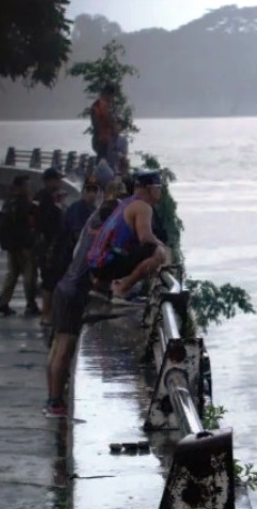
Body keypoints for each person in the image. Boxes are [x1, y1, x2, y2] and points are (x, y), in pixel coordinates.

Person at [44, 196, 120, 418]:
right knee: (64, 348)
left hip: (63, 287)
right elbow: (98, 278)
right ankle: (56, 402)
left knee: (57, 346)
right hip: (73, 294)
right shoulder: (102, 239)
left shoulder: (90, 231)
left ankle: (52, 399)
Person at [87, 170, 171, 299]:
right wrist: (161, 245)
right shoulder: (143, 206)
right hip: (106, 263)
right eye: (159, 188)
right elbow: (145, 237)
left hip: (96, 263)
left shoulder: (127, 202)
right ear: (150, 189)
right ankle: (122, 288)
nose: (160, 192)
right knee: (158, 252)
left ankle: (102, 285)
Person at [0, 175, 39, 316]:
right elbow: (31, 222)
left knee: (12, 273)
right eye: (26, 185)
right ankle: (31, 304)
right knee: (29, 274)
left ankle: (2, 302)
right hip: (24, 245)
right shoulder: (25, 203)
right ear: (21, 187)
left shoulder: (8, 202)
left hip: (11, 245)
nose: (28, 188)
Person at [34, 168, 66, 326]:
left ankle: (50, 312)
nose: (59, 182)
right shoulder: (45, 198)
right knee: (49, 281)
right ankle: (46, 313)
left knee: (52, 280)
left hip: (52, 245)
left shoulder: (45, 197)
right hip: (48, 246)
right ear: (49, 181)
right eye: (57, 180)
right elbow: (44, 222)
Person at [90, 84, 117, 160]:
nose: (112, 99)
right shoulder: (98, 106)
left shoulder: (106, 106)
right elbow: (97, 122)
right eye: (112, 96)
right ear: (108, 94)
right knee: (102, 161)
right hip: (101, 139)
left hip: (106, 139)